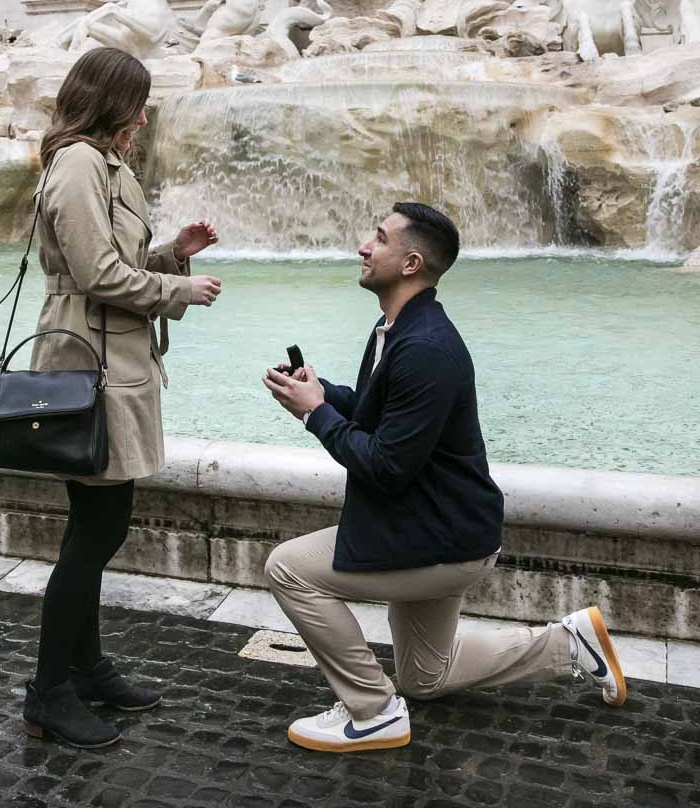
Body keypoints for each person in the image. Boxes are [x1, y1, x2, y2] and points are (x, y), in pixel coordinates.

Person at [263, 203, 626, 753]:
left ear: (410, 263)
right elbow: (382, 417)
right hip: (435, 526)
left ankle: (373, 711)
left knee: (288, 569)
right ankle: (569, 644)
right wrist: (323, 393)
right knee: (425, 677)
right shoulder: (397, 329)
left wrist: (317, 415)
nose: (364, 246)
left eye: (378, 239)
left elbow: (386, 466)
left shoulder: (426, 349)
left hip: (439, 539)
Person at [23, 47, 222, 750]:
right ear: (109, 102)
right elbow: (96, 272)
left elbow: (117, 264)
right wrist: (178, 290)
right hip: (91, 360)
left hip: (111, 355)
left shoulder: (105, 164)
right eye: (136, 102)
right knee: (98, 532)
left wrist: (173, 252)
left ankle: (86, 667)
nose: (143, 116)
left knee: (95, 528)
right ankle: (49, 691)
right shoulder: (78, 162)